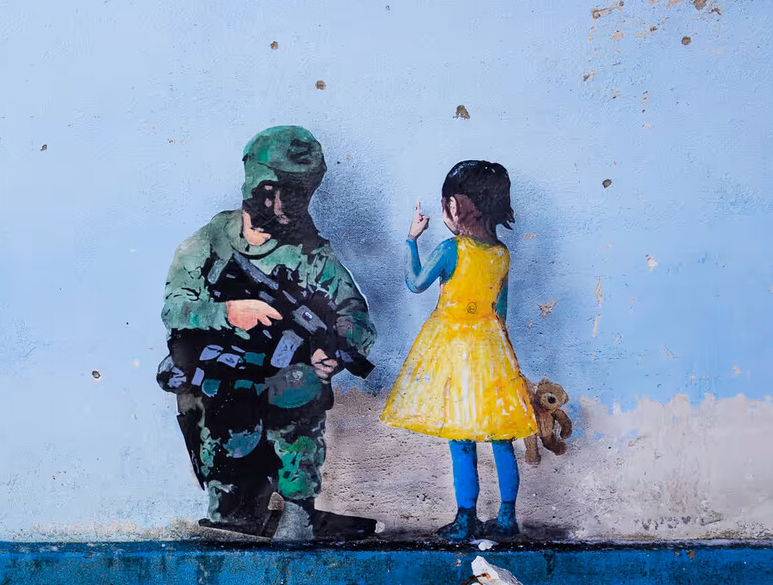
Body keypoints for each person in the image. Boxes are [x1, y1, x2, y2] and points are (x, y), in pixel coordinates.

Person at [157, 126, 378, 540]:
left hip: (279, 381)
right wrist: (227, 312)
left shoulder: (312, 253)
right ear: (255, 186)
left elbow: (355, 316)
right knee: (229, 516)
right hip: (222, 382)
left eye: (298, 195)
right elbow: (174, 309)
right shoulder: (209, 242)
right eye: (275, 193)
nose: (286, 207)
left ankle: (298, 509)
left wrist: (332, 350)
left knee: (300, 386)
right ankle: (235, 504)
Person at [380, 160, 535, 541]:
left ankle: (466, 517)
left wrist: (411, 240)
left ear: (464, 206)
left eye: (449, 202)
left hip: (451, 350)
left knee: (460, 436)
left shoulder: (451, 249)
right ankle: (506, 518)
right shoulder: (501, 253)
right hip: (492, 350)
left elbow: (416, 283)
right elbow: (502, 312)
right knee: (501, 437)